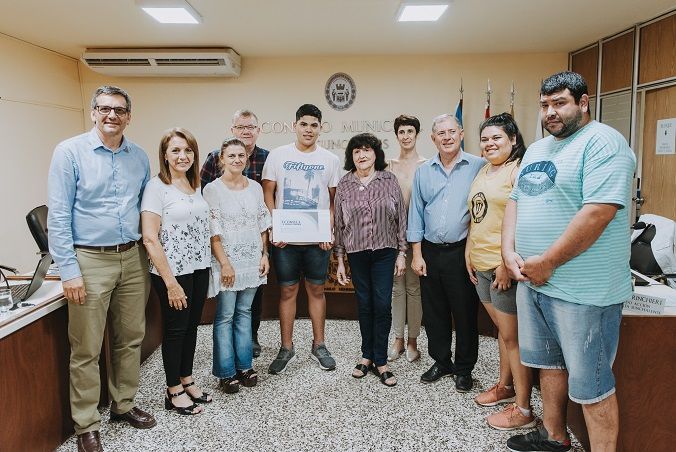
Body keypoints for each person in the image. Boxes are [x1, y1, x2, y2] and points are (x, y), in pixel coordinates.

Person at [503, 71, 636, 452]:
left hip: (584, 293)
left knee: (593, 385)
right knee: (549, 364)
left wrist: (547, 262)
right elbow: (515, 201)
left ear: (583, 102)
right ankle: (554, 435)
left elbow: (598, 212)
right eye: (544, 105)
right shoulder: (537, 149)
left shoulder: (604, 142)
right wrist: (508, 251)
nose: (550, 112)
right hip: (534, 284)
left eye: (559, 103)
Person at [47, 86, 155, 452]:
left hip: (133, 257)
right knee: (87, 348)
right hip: (89, 260)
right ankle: (86, 424)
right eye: (105, 108)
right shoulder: (69, 152)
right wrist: (69, 270)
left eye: (119, 110)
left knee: (130, 338)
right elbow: (58, 216)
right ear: (94, 112)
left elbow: (145, 208)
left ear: (129, 117)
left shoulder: (139, 156)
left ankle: (123, 404)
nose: (112, 115)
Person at [465, 113, 534, 430]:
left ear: (513, 139)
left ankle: (523, 408)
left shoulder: (518, 171)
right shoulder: (484, 169)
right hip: (480, 264)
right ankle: (505, 386)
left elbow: (524, 220)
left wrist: (507, 262)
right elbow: (478, 214)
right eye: (485, 139)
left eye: (497, 138)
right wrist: (469, 250)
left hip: (501, 267)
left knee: (512, 338)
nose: (489, 144)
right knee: (502, 335)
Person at [407, 113, 484, 392]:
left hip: (462, 252)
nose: (447, 137)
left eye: (452, 131)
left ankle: (464, 369)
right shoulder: (423, 171)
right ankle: (441, 361)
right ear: (433, 138)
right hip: (429, 252)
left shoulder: (479, 166)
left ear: (461, 134)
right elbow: (416, 213)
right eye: (441, 133)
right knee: (434, 312)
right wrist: (417, 254)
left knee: (464, 312)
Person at [262, 103, 341, 374]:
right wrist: (274, 227)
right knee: (287, 291)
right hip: (285, 242)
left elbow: (334, 201)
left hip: (318, 242)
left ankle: (319, 345)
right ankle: (286, 347)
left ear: (321, 128)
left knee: (317, 291)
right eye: (304, 124)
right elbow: (268, 193)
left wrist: (328, 230)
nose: (308, 129)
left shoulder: (330, 159)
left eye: (314, 125)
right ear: (294, 125)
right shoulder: (278, 155)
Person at [141, 128, 212, 416]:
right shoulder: (156, 187)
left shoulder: (194, 184)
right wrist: (170, 283)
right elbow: (150, 238)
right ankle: (173, 391)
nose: (183, 156)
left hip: (198, 267)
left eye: (188, 150)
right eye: (176, 150)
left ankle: (187, 379)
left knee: (191, 326)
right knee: (175, 330)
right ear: (165, 155)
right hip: (172, 272)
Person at [334, 133, 407, 387]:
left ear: (376, 154)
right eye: (356, 151)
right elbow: (339, 224)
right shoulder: (344, 183)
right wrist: (340, 259)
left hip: (385, 251)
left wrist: (402, 253)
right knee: (364, 304)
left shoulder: (389, 180)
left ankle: (381, 361)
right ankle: (366, 356)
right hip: (356, 252)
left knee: (382, 304)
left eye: (366, 150)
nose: (361, 155)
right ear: (351, 156)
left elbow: (401, 219)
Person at [200, 109, 269, 357]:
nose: (237, 159)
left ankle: (246, 358)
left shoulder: (260, 176)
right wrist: (224, 263)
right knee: (226, 314)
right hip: (226, 258)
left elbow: (263, 220)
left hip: (252, 257)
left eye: (241, 155)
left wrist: (265, 254)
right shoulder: (212, 184)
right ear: (222, 158)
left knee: (246, 311)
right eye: (231, 155)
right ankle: (226, 367)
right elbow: (210, 221)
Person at [387, 115, 427, 363]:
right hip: (393, 237)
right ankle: (398, 339)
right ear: (397, 135)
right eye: (401, 132)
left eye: (410, 131)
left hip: (418, 238)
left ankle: (413, 340)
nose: (406, 136)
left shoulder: (427, 165)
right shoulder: (388, 166)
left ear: (417, 134)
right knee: (396, 288)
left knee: (413, 288)